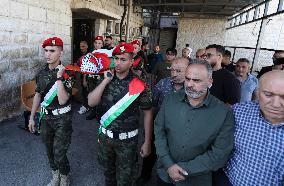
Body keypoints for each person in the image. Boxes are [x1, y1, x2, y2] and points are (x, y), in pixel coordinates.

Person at [155, 59, 234, 186]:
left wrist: (183, 170)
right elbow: (159, 131)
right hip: (165, 173)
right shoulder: (170, 100)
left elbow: (219, 153)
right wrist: (168, 164)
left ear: (210, 82)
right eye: (187, 79)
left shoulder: (223, 112)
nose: (189, 84)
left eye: (196, 80)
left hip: (196, 180)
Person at [88, 43, 153, 186]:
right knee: (108, 175)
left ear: (131, 62)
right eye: (116, 58)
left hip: (127, 142)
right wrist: (105, 81)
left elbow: (148, 114)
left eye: (123, 59)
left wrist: (147, 141)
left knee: (125, 180)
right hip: (106, 139)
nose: (118, 63)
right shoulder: (105, 78)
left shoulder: (139, 84)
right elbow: (91, 102)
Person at [221, 70, 284, 186]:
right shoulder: (240, 111)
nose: (275, 104)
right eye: (268, 94)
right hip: (227, 180)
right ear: (258, 93)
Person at [28, 37, 75, 186]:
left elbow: (62, 100)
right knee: (49, 151)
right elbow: (37, 95)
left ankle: (65, 176)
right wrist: (31, 118)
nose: (48, 54)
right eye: (46, 51)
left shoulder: (68, 74)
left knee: (59, 153)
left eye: (52, 51)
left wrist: (60, 78)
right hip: (46, 119)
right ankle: (55, 175)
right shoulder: (41, 73)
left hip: (62, 119)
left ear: (60, 53)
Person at [138, 58, 189, 184]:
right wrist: (148, 131)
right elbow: (152, 106)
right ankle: (145, 175)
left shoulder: (191, 88)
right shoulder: (163, 83)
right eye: (172, 70)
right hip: (158, 129)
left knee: (171, 160)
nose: (174, 74)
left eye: (178, 71)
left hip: (178, 134)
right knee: (150, 155)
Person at [86, 35, 105, 120]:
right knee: (91, 94)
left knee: (101, 95)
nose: (97, 45)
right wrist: (84, 79)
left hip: (100, 78)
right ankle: (92, 111)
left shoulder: (105, 53)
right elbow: (85, 67)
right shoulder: (90, 53)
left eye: (99, 43)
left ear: (102, 45)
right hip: (91, 78)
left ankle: (99, 113)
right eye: (96, 43)